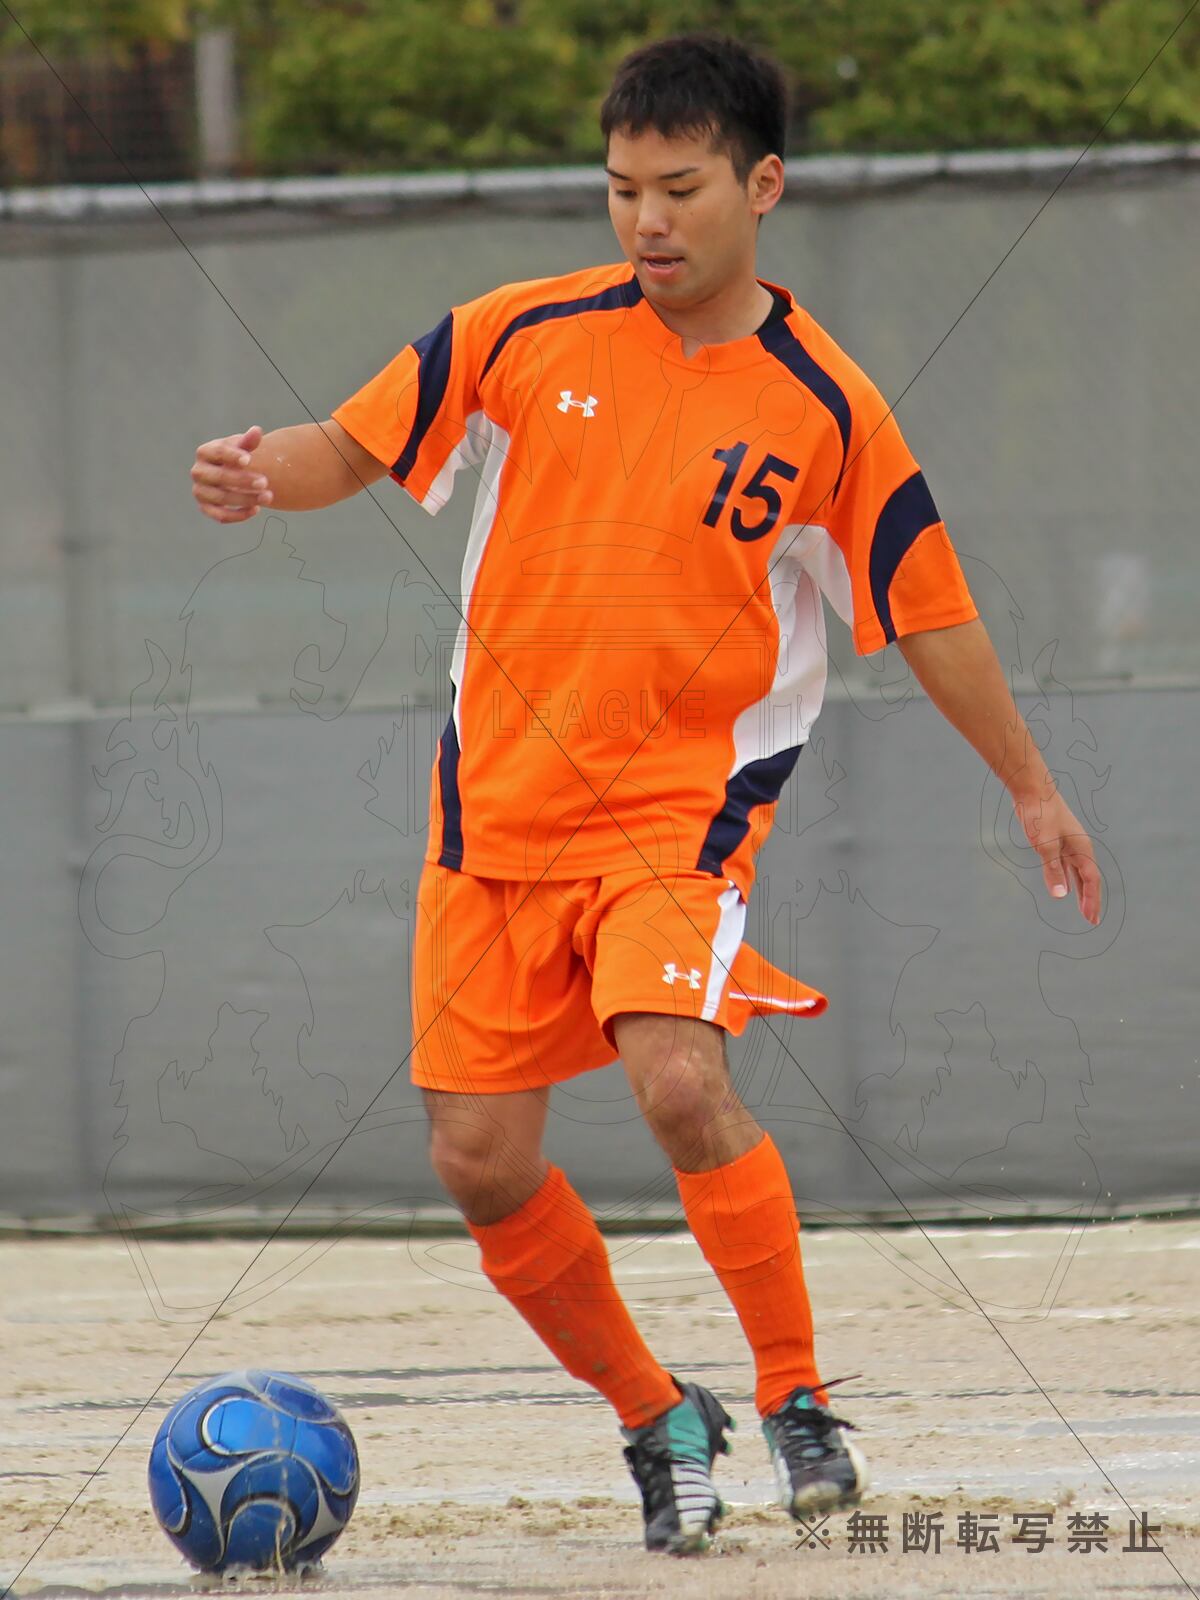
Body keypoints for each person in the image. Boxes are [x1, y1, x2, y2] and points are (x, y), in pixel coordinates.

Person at [190, 33, 1103, 1557]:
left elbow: (930, 612)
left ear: (763, 185)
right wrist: (258, 473)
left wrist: (1031, 787)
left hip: (679, 822)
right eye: (622, 190)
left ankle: (798, 1394)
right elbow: (351, 444)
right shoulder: (516, 331)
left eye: (680, 187)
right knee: (479, 1161)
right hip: (492, 824)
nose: (647, 219)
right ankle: (656, 1414)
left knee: (678, 1077)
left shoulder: (829, 406)